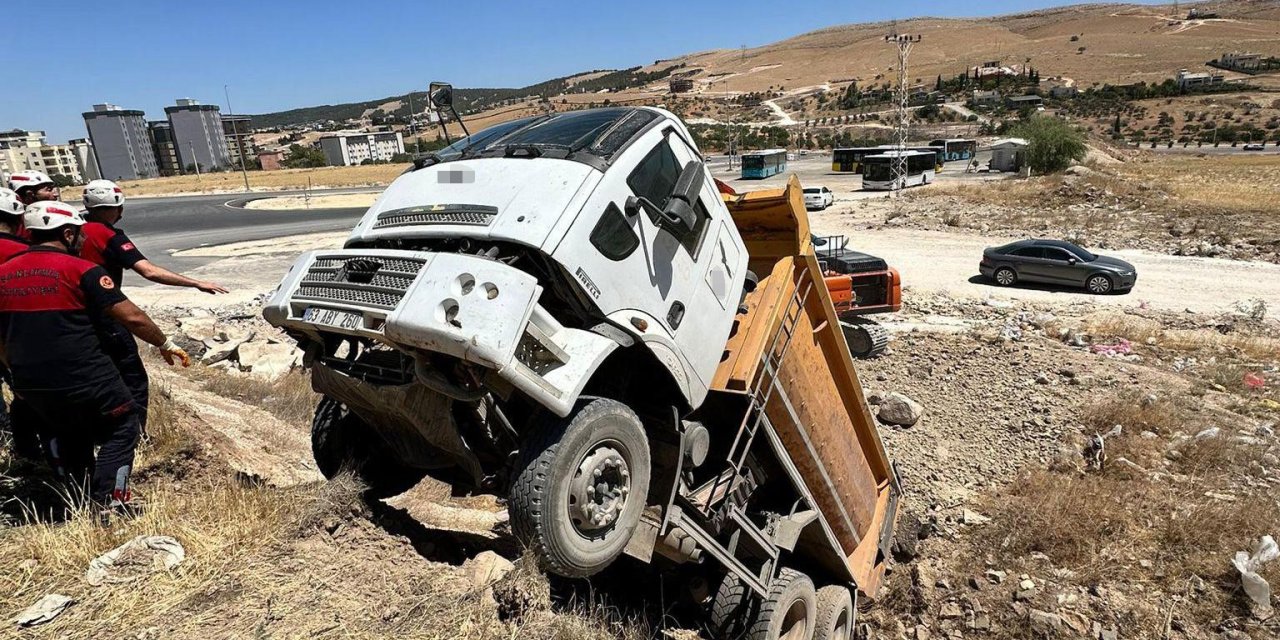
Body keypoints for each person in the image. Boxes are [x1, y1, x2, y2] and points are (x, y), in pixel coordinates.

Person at [0, 201, 190, 515]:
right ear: (67, 233)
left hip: (29, 380)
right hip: (83, 373)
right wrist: (165, 342)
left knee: (70, 431)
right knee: (123, 423)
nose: (85, 240)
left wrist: (15, 373)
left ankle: (79, 499)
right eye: (80, 234)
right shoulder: (82, 270)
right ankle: (111, 502)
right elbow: (132, 318)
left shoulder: (4, 273)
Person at [79, 180, 227, 434]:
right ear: (117, 207)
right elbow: (148, 271)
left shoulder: (70, 229)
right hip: (105, 313)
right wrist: (195, 283)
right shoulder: (108, 234)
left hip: (71, 316)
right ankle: (134, 435)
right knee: (132, 378)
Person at [0, 188, 35, 458]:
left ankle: (7, 441)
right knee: (29, 395)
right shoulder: (24, 252)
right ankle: (29, 451)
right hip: (16, 337)